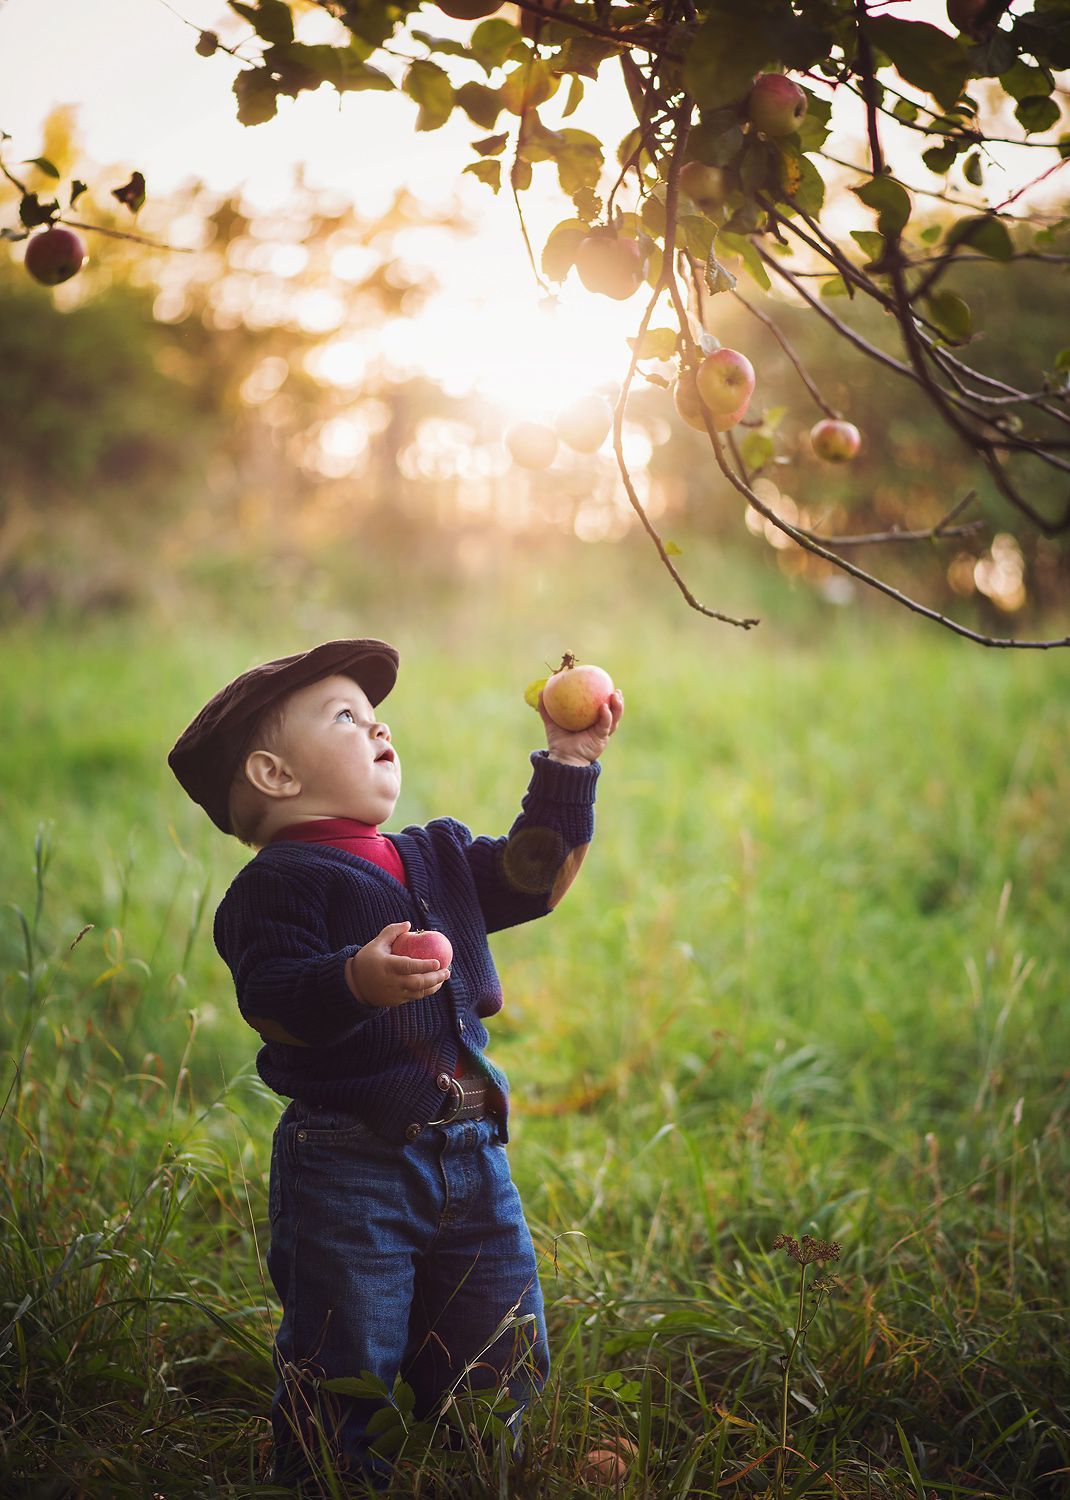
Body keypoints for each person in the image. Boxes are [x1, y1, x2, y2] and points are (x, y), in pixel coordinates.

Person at [166, 638, 623, 1491]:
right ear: (272, 775)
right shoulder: (278, 886)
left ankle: (496, 1456)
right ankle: (332, 1473)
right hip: (350, 1165)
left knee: (499, 1325)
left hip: (470, 1155)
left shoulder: (434, 854)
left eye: (377, 714)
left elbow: (533, 877)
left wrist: (569, 760)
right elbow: (272, 1001)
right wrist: (354, 978)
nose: (378, 726)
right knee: (346, 1339)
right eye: (346, 716)